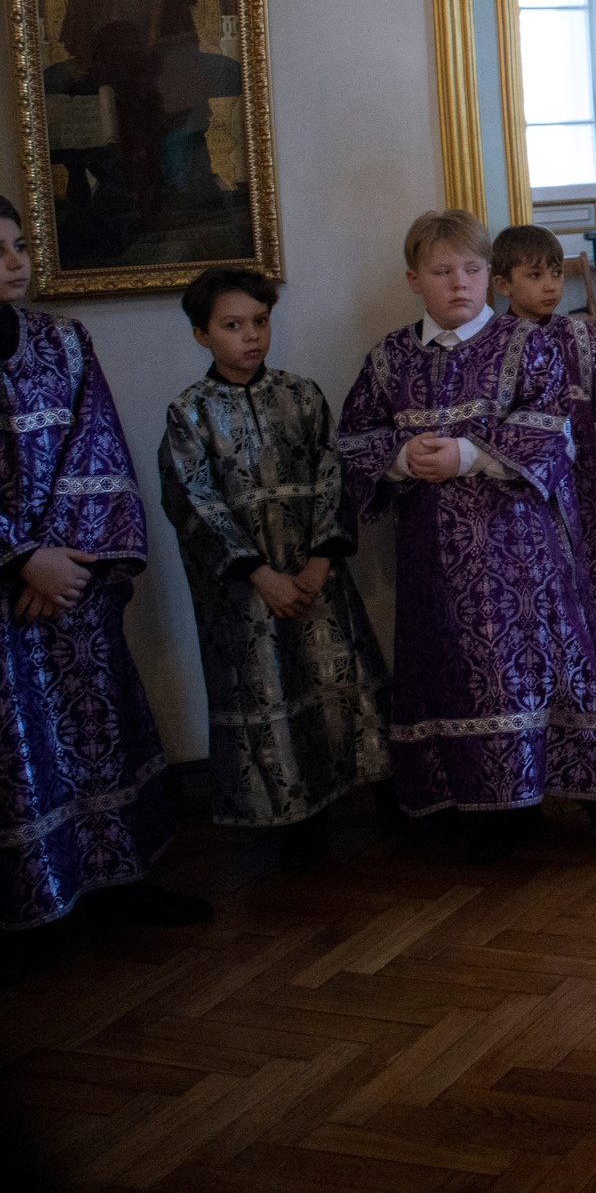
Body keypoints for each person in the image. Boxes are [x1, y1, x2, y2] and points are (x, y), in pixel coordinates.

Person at [337, 210, 596, 864]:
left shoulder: (527, 344)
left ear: (489, 276)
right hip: (434, 568)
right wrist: (400, 456)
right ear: (414, 278)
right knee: (458, 680)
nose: (460, 284)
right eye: (443, 272)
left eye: (471, 270)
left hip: (524, 558)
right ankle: (500, 808)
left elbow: (552, 429)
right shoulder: (390, 357)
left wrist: (468, 456)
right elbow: (355, 437)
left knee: (554, 671)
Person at [0, 195, 211, 945]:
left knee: (99, 730)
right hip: (9, 593)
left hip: (73, 581)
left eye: (20, 245)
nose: (17, 262)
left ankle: (120, 880)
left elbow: (96, 447)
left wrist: (65, 561)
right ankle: (30, 913)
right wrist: (20, 559)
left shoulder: (62, 342)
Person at [158, 266, 393, 868]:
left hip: (317, 578)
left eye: (260, 322)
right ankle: (295, 818)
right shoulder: (190, 413)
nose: (251, 337)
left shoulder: (303, 395)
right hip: (246, 594)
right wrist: (260, 575)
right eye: (232, 325)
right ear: (201, 335)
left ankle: (382, 798)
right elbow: (194, 502)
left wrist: (318, 564)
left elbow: (331, 478)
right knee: (270, 689)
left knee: (337, 679)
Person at [491, 225, 596, 774]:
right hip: (527, 514)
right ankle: (551, 741)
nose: (550, 285)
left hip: (584, 504)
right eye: (534, 275)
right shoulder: (489, 347)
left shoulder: (582, 338)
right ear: (501, 283)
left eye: (556, 272)